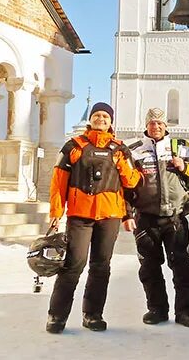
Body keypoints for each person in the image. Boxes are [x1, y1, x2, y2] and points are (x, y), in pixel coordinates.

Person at [45, 102, 141, 334]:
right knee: (73, 265)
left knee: (101, 267)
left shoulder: (120, 149)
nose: (101, 119)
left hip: (110, 216)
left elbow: (132, 182)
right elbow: (58, 182)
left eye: (105, 116)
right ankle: (56, 316)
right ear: (91, 119)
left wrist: (122, 165)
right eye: (97, 115)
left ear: (111, 122)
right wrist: (56, 213)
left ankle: (93, 315)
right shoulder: (74, 146)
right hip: (80, 214)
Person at [124, 107, 189, 327]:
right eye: (152, 123)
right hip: (146, 218)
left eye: (160, 124)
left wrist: (184, 165)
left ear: (166, 126)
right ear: (146, 126)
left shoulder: (180, 146)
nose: (156, 127)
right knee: (149, 267)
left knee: (182, 265)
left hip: (175, 217)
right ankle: (157, 309)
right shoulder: (134, 149)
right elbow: (123, 182)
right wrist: (127, 212)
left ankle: (186, 312)